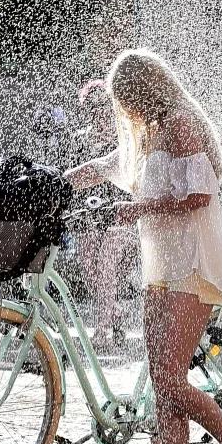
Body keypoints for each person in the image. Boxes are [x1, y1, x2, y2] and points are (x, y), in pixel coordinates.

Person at [64, 49, 222, 444]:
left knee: (171, 380)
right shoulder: (150, 130)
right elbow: (114, 164)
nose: (121, 109)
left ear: (143, 90)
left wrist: (136, 211)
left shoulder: (180, 126)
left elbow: (200, 196)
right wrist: (60, 181)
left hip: (193, 263)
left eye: (124, 99)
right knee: (164, 383)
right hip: (162, 265)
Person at [74, 80, 138, 350]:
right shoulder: (81, 139)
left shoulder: (125, 138)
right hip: (91, 214)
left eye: (103, 106)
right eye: (93, 107)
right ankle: (116, 313)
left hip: (120, 213)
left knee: (106, 263)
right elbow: (78, 177)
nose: (99, 112)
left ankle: (101, 331)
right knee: (88, 266)